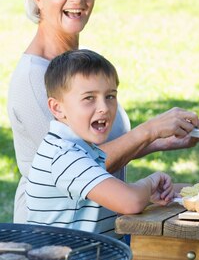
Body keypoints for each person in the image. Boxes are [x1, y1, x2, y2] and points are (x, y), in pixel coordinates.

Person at [8, 0, 199, 223]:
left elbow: (94, 151)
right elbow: (74, 166)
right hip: (56, 237)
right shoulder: (33, 78)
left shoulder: (80, 69)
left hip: (98, 232)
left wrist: (161, 140)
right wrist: (148, 132)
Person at [26, 49, 174, 239]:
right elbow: (130, 202)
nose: (104, 108)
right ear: (57, 108)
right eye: (89, 98)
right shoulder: (64, 156)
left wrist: (148, 194)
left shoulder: (80, 149)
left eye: (110, 96)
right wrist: (150, 183)